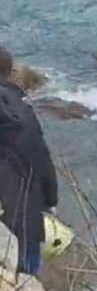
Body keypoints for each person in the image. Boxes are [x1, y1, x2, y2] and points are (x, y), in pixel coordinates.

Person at [0, 46, 58, 275]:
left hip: (6, 215)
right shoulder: (24, 110)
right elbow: (42, 157)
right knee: (26, 276)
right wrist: (50, 200)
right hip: (28, 214)